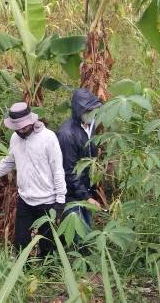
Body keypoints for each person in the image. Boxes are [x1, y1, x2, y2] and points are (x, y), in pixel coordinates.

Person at [0, 102, 66, 257]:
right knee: (21, 241)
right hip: (25, 199)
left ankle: (49, 275)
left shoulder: (48, 138)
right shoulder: (15, 139)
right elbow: (9, 162)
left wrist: (60, 200)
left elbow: (58, 170)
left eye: (24, 127)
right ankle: (24, 272)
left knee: (48, 244)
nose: (21, 130)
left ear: (31, 121)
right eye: (17, 128)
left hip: (47, 201)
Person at [56, 88, 103, 229]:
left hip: (86, 189)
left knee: (87, 229)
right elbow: (68, 171)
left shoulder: (91, 125)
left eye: (93, 110)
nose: (91, 114)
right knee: (80, 234)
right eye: (88, 111)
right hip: (72, 194)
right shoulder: (66, 134)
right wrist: (86, 197)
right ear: (78, 111)